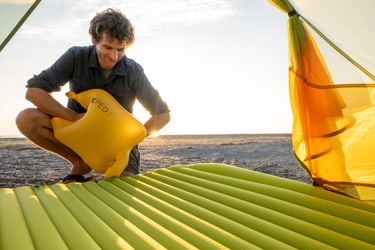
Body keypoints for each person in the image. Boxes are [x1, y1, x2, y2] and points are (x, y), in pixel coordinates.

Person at [15, 8, 170, 183]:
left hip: (117, 145)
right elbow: (34, 92)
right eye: (108, 47)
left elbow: (162, 115)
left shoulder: (133, 70)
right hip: (78, 133)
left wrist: (130, 140)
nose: (114, 56)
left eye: (120, 50)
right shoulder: (75, 56)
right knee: (26, 119)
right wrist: (72, 117)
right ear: (94, 40)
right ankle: (80, 164)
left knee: (121, 188)